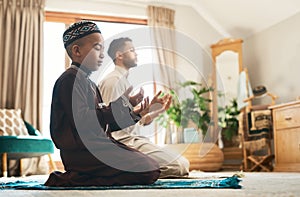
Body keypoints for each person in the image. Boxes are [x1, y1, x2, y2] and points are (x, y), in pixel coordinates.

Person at [45, 21, 172, 187]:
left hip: (98, 147)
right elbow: (86, 122)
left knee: (151, 166)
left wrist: (135, 113)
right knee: (147, 169)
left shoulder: (89, 83)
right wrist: (121, 104)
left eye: (103, 49)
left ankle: (84, 177)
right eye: (97, 48)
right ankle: (73, 179)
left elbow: (103, 123)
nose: (103, 55)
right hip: (82, 154)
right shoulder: (70, 80)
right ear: (77, 51)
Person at [99, 37, 190, 178]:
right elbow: (111, 125)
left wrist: (153, 111)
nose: (136, 53)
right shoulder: (112, 81)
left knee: (183, 163)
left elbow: (131, 122)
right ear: (119, 55)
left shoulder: (123, 81)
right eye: (132, 50)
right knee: (176, 167)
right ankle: (121, 172)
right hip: (123, 143)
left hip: (134, 139)